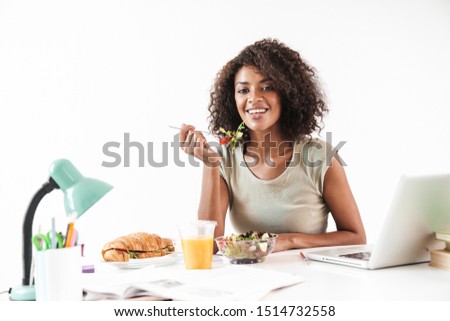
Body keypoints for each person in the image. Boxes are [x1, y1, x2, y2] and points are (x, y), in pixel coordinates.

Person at [179, 38, 366, 252]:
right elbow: (210, 246)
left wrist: (289, 241)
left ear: (287, 94)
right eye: (243, 90)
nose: (253, 98)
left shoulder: (319, 156)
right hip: (252, 280)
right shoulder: (224, 157)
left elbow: (356, 236)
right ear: (232, 100)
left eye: (267, 87)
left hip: (311, 280)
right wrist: (210, 164)